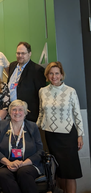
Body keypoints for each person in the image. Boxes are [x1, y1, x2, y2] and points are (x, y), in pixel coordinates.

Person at [36, 62, 84, 193]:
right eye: (51, 73)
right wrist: (34, 130)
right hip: (51, 136)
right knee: (57, 172)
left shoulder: (71, 91)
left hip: (68, 136)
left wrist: (80, 135)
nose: (54, 76)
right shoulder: (42, 91)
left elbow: (77, 114)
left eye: (57, 73)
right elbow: (41, 113)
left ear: (62, 75)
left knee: (70, 172)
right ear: (47, 75)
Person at [0, 100, 44, 193]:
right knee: (2, 174)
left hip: (28, 164)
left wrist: (23, 163)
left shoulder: (32, 126)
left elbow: (40, 150)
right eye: (14, 109)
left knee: (23, 172)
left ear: (25, 112)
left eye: (20, 110)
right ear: (10, 112)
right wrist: (8, 163)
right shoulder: (1, 125)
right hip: (6, 164)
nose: (17, 112)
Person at [7, 42, 46, 122]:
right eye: (18, 53)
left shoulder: (37, 70)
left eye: (23, 53)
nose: (20, 56)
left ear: (29, 54)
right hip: (12, 113)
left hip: (28, 115)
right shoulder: (12, 66)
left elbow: (41, 95)